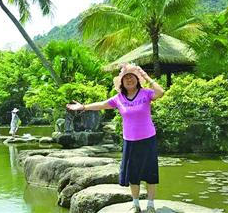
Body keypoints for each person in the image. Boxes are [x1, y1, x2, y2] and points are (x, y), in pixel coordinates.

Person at [66, 63, 164, 213]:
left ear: (137, 80)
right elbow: (102, 105)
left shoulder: (146, 94)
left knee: (150, 172)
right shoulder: (119, 98)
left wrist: (145, 75)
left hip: (147, 139)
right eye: (126, 78)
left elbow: (161, 92)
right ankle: (136, 204)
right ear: (122, 82)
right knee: (133, 174)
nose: (129, 80)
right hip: (130, 141)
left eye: (132, 77)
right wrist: (83, 107)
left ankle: (150, 205)